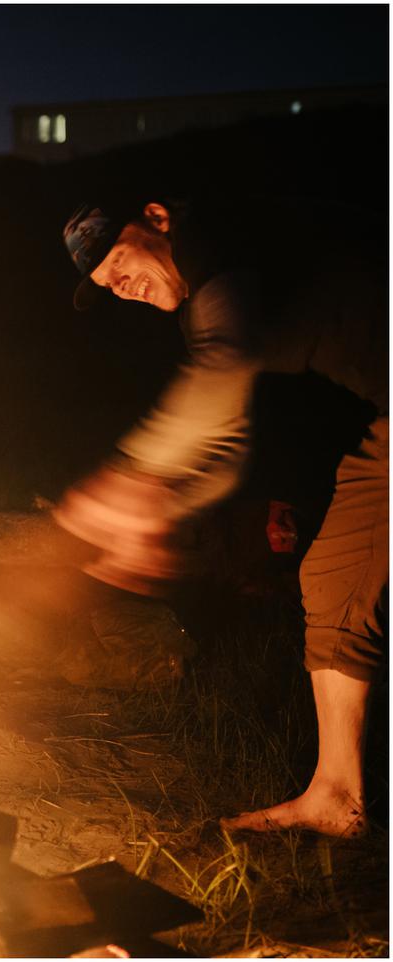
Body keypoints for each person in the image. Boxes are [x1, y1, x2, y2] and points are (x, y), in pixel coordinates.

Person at [55, 195, 387, 837]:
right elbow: (227, 448)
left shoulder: (210, 235)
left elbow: (225, 361)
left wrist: (134, 477)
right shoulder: (200, 308)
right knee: (335, 575)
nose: (120, 284)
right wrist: (155, 508)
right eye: (107, 283)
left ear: (156, 219)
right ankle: (336, 795)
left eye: (118, 261)